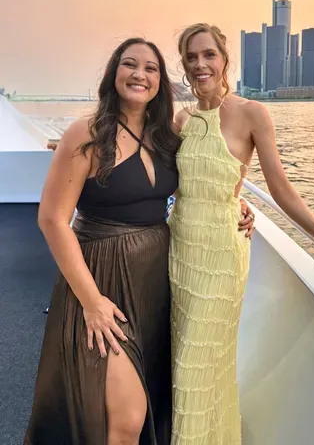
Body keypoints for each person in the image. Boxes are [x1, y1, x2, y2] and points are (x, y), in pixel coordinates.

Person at [25, 37, 254, 445]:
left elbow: (196, 184)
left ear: (160, 82)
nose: (140, 74)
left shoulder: (165, 136)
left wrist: (235, 203)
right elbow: (53, 220)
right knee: (128, 416)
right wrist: (92, 302)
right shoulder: (87, 133)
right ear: (114, 74)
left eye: (151, 68)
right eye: (129, 64)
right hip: (100, 278)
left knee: (149, 402)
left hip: (154, 283)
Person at [168, 23, 314, 445]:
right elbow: (150, 169)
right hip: (180, 250)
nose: (200, 64)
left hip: (222, 257)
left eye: (208, 54)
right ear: (184, 65)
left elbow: (279, 187)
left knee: (194, 366)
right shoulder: (180, 120)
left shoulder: (252, 113)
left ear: (224, 59)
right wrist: (87, 147)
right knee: (189, 359)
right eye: (191, 57)